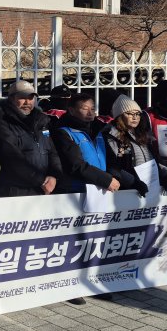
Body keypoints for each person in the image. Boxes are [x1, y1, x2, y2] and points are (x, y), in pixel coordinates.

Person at [52, 92, 122, 305]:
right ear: (72, 110)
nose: (91, 112)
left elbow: (110, 161)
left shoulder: (98, 131)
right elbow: (75, 165)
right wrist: (106, 179)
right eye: (85, 108)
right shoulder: (64, 132)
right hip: (75, 192)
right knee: (73, 242)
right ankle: (69, 286)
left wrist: (116, 177)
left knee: (94, 241)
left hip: (99, 193)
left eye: (93, 108)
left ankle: (91, 282)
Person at [0, 80, 62, 197]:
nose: (27, 102)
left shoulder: (41, 121)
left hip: (44, 188)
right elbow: (11, 157)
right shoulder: (0, 122)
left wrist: (54, 175)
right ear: (11, 98)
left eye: (31, 98)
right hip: (15, 191)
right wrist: (40, 180)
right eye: (22, 97)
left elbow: (52, 152)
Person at [104, 94, 167, 198]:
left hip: (151, 188)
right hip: (128, 194)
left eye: (138, 114)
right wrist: (133, 182)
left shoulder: (142, 135)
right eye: (129, 113)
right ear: (119, 116)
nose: (135, 117)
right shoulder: (114, 137)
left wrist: (166, 175)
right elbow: (115, 166)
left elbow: (154, 161)